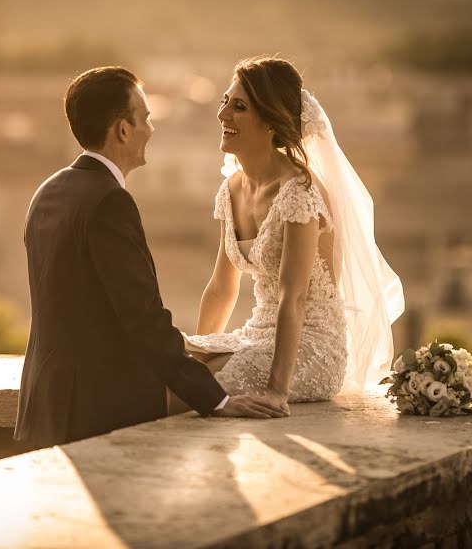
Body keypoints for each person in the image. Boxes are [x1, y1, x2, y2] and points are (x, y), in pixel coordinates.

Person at [15, 66, 286, 448]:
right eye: (144, 119)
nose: (151, 129)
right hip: (97, 407)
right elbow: (143, 319)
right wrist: (216, 399)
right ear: (123, 131)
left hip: (42, 403)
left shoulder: (48, 191)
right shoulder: (111, 202)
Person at [183, 57, 405, 415]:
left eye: (239, 107)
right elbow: (222, 288)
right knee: (168, 364)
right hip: (256, 334)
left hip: (311, 346)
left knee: (187, 393)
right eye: (224, 101)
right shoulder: (231, 189)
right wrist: (200, 348)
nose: (223, 115)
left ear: (271, 121)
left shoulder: (299, 191)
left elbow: (294, 296)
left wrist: (276, 391)